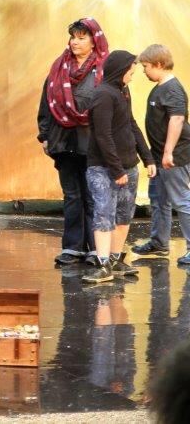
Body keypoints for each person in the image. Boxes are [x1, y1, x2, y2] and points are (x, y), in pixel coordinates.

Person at [37, 18, 110, 266]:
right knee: (72, 195)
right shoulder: (59, 67)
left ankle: (94, 247)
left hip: (93, 143)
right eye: (73, 37)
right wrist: (44, 136)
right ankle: (72, 247)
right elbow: (46, 103)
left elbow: (116, 107)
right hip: (63, 139)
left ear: (94, 41)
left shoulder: (105, 69)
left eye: (81, 37)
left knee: (92, 195)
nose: (75, 42)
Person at [82, 51, 155, 284]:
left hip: (128, 166)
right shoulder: (103, 95)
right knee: (104, 214)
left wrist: (148, 157)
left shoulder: (122, 91)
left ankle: (115, 259)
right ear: (120, 71)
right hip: (104, 168)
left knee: (124, 215)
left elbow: (130, 124)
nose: (133, 76)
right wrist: (116, 170)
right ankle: (103, 264)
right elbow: (103, 136)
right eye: (131, 72)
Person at [134, 44, 190, 263]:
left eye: (146, 67)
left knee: (182, 200)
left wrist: (168, 153)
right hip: (159, 158)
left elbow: (177, 120)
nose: (144, 71)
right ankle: (159, 243)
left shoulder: (173, 89)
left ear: (159, 64)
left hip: (174, 156)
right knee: (159, 200)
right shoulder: (159, 87)